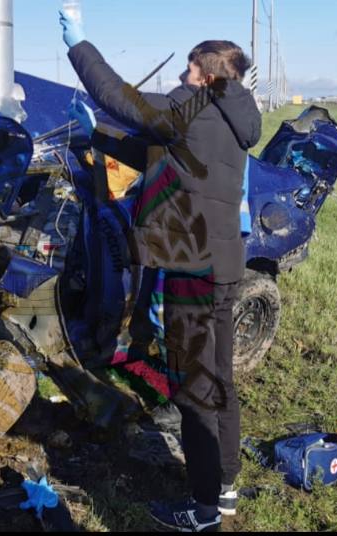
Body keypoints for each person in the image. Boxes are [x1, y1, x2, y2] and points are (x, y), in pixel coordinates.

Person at [61, 9, 261, 533]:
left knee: (195, 389)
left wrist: (79, 43)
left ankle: (202, 509)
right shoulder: (232, 113)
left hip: (194, 269)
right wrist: (99, 137)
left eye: (189, 70)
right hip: (221, 266)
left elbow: (120, 96)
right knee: (219, 380)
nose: (181, 78)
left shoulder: (193, 106)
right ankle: (227, 486)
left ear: (208, 74)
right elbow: (160, 150)